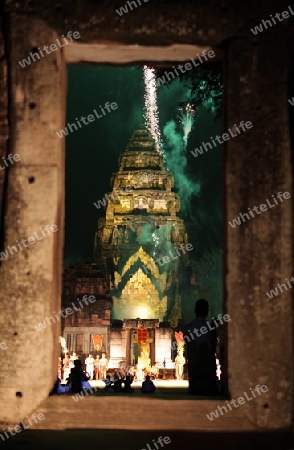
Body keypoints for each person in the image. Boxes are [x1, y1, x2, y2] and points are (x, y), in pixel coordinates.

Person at [184, 299, 218, 396]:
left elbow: (189, 347)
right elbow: (213, 346)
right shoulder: (210, 328)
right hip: (207, 367)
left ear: (195, 311)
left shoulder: (189, 327)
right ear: (207, 311)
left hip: (194, 365)